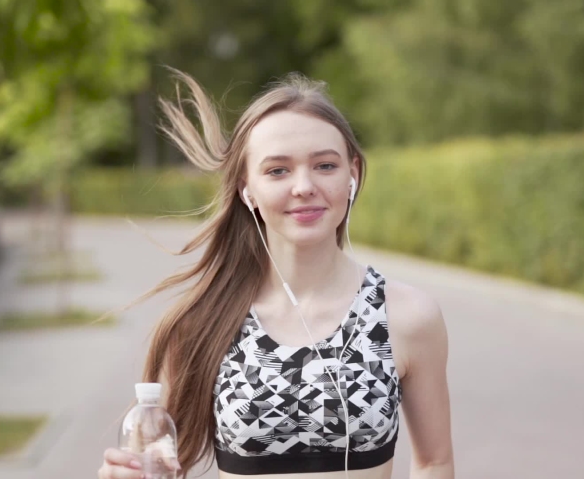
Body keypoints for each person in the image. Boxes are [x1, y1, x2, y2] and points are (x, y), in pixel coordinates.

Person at [98, 70, 454, 479]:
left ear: (351, 173)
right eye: (277, 171)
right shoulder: (204, 322)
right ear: (246, 187)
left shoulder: (407, 316)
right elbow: (158, 469)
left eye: (324, 165)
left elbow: (434, 462)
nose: (304, 186)